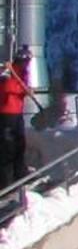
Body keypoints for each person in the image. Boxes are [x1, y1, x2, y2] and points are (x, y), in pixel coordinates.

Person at [0, 47, 31, 191]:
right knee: (8, 149)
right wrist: (22, 90)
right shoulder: (8, 71)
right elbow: (6, 88)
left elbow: (22, 88)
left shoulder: (24, 73)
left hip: (17, 113)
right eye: (25, 61)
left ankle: (21, 175)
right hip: (6, 114)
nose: (27, 64)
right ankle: (6, 182)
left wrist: (26, 90)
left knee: (20, 145)